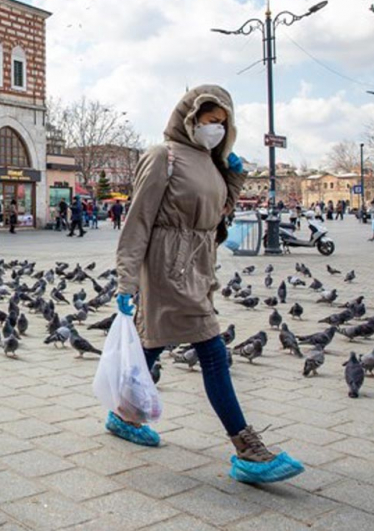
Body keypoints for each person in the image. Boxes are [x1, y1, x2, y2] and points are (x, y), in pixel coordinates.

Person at [113, 85, 304, 484]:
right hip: (167, 264)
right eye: (208, 120)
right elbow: (139, 221)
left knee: (154, 343)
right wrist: (126, 280)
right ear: (189, 117)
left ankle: (123, 415)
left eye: (222, 123)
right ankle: (247, 447)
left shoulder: (211, 162)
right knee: (213, 350)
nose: (215, 128)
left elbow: (219, 213)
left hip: (198, 265)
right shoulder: (161, 156)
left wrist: (233, 175)